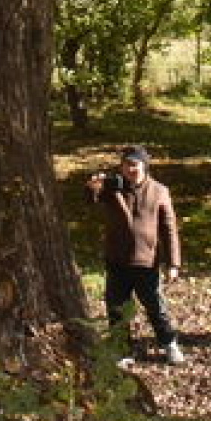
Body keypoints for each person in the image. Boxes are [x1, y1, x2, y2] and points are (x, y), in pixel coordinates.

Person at [86, 145, 184, 365]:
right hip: (117, 260)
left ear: (144, 167)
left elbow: (169, 229)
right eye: (126, 165)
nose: (130, 169)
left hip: (146, 261)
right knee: (116, 308)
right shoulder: (113, 189)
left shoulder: (159, 191)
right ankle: (121, 350)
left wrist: (173, 263)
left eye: (135, 164)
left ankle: (169, 344)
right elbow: (91, 197)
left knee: (156, 307)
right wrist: (94, 184)